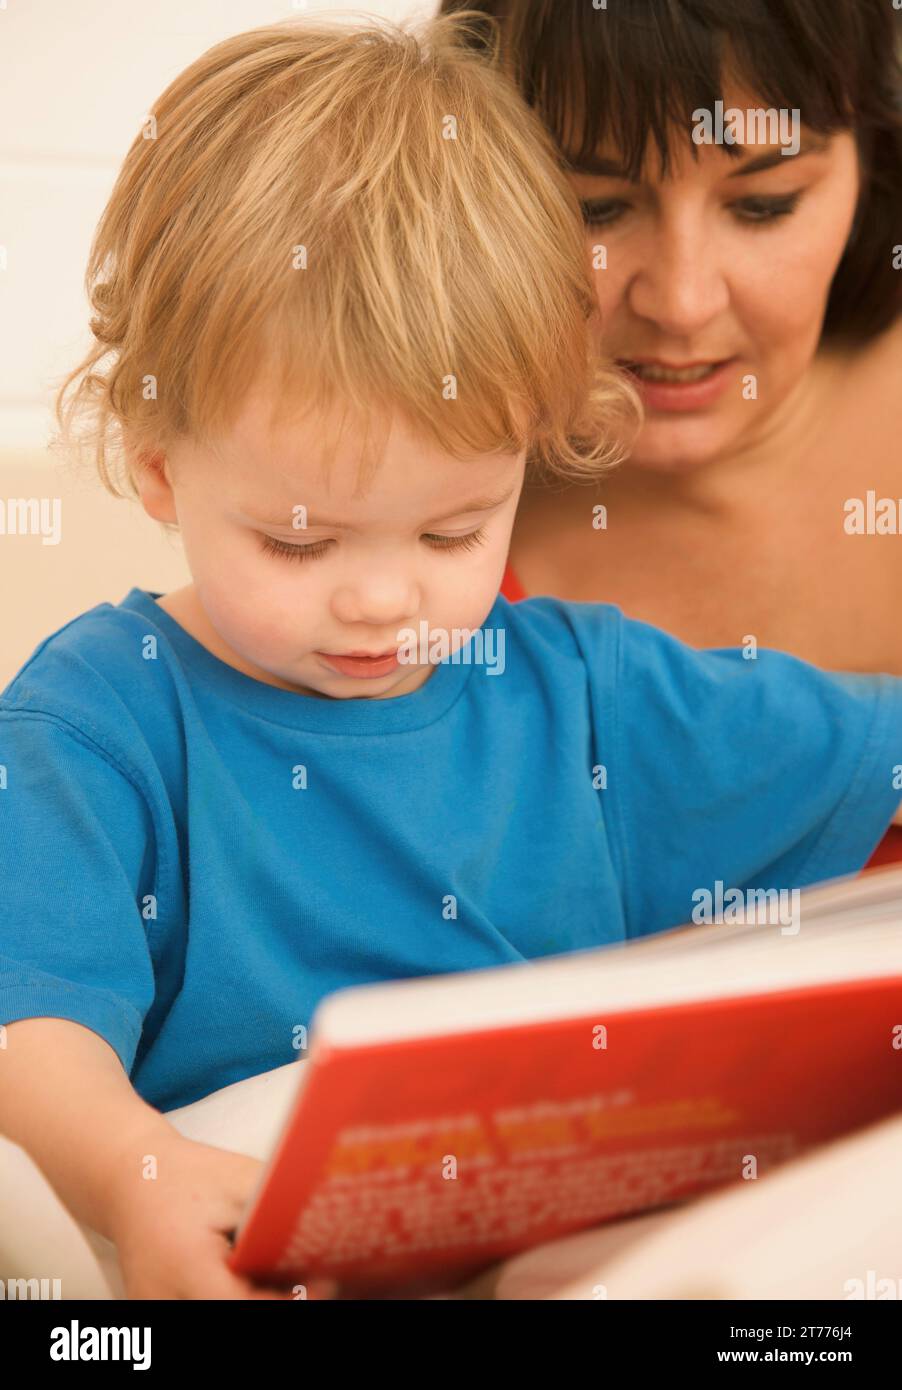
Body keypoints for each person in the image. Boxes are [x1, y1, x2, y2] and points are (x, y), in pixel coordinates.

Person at [1, 15, 901, 1302]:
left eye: (451, 528)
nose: (382, 601)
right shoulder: (97, 720)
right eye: (298, 542)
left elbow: (866, 752)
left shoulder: (584, 692)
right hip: (226, 1226)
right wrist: (140, 1174)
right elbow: (28, 1032)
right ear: (157, 462)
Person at [441, 0, 902, 865]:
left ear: (874, 164)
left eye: (764, 205)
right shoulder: (380, 507)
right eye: (597, 210)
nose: (683, 303)